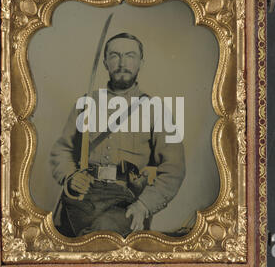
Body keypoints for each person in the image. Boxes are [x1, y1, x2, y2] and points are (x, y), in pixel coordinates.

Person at [50, 32, 185, 237]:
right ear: (105, 62)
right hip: (82, 199)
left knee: (99, 238)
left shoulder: (156, 110)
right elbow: (62, 150)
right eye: (114, 55)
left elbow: (174, 168)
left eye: (130, 55)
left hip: (127, 201)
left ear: (141, 61)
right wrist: (70, 177)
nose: (122, 63)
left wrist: (144, 205)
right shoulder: (85, 104)